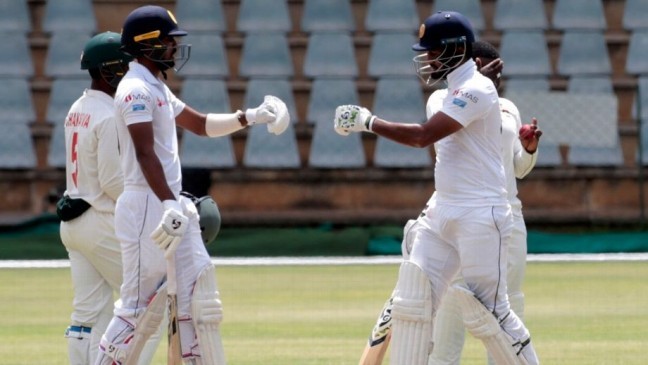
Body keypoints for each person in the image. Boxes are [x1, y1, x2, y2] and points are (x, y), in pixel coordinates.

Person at [335, 11, 539, 365]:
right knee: (412, 304)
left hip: (481, 213)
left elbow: (422, 136)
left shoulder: (479, 90)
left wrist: (368, 121)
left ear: (455, 49)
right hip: (443, 209)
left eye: (432, 51)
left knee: (493, 314)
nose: (427, 58)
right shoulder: (448, 94)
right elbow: (437, 116)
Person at [95, 5, 290, 365]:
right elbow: (144, 153)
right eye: (169, 41)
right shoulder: (135, 89)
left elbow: (200, 124)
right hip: (146, 207)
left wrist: (250, 117)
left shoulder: (156, 86)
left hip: (169, 206)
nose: (175, 48)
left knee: (199, 297)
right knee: (137, 307)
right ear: (147, 44)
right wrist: (169, 203)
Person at [428, 40, 542, 365]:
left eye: (501, 70)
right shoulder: (442, 99)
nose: (499, 77)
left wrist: (529, 149)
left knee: (507, 307)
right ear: (474, 65)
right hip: (465, 217)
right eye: (492, 69)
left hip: (508, 216)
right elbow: (439, 135)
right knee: (452, 305)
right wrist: (479, 88)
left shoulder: (508, 108)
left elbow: (518, 169)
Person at [57, 32, 160, 365]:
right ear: (109, 70)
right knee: (151, 305)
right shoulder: (110, 114)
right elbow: (113, 180)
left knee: (88, 315)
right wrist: (152, 207)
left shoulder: (77, 108)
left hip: (73, 222)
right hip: (100, 220)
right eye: (127, 65)